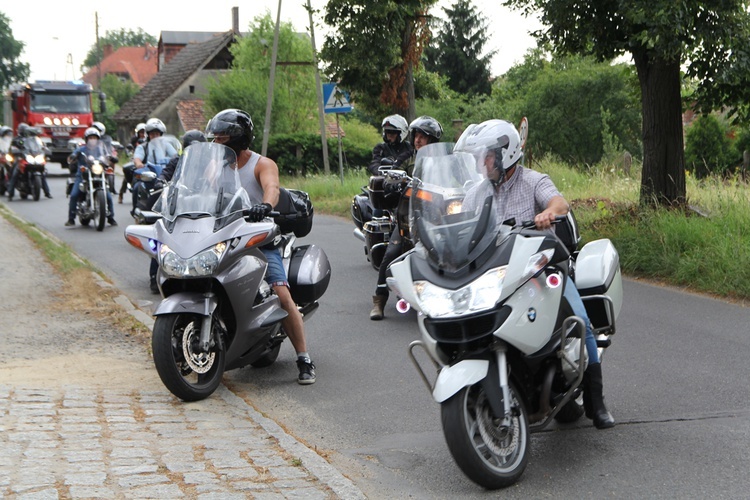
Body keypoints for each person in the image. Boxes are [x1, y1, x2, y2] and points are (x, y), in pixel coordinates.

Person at [457, 119, 615, 430]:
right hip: (499, 274)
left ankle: (597, 402)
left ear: (506, 154)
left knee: (580, 322)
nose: (481, 163)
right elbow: (462, 227)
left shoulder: (533, 181)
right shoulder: (476, 193)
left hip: (544, 267)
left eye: (486, 156)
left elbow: (559, 201)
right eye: (479, 157)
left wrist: (550, 212)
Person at [205, 108, 316, 385]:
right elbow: (203, 191)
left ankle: (304, 358)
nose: (215, 143)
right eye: (215, 138)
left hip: (258, 238)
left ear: (237, 139)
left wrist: (265, 206)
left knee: (280, 293)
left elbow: (273, 188)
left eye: (220, 138)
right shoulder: (215, 164)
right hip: (223, 237)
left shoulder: (261, 163)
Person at [369, 115, 443, 320]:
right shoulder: (409, 157)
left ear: (433, 141)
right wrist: (392, 182)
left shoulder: (443, 161)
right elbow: (393, 173)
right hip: (408, 215)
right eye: (416, 135)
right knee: (392, 251)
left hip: (436, 215)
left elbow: (458, 178)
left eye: (424, 137)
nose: (418, 140)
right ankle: (379, 299)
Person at [141, 130, 206, 294]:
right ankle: (154, 278)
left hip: (203, 206)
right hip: (178, 205)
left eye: (198, 149)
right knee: (164, 238)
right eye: (192, 148)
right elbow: (166, 172)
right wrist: (161, 181)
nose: (195, 152)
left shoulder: (209, 163)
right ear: (186, 148)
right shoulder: (178, 160)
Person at [66, 127, 118, 227]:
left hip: (98, 174)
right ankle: (71, 218)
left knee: (108, 196)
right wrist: (73, 156)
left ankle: (111, 217)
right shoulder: (81, 149)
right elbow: (74, 154)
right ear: (86, 139)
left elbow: (108, 155)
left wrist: (112, 158)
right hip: (83, 176)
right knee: (74, 195)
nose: (92, 140)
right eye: (90, 138)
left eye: (94, 137)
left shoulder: (101, 149)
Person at [7, 124, 53, 200]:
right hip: (22, 159)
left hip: (33, 157)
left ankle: (47, 192)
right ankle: (10, 193)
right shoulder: (18, 139)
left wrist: (45, 149)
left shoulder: (35, 139)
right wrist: (15, 150)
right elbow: (13, 146)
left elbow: (41, 146)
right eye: (24, 131)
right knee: (15, 173)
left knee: (43, 173)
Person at [119, 123, 147, 203]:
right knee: (127, 173)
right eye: (141, 132)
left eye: (144, 132)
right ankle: (121, 193)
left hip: (146, 160)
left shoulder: (148, 140)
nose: (142, 134)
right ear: (137, 133)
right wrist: (129, 153)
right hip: (135, 160)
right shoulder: (134, 140)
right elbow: (129, 148)